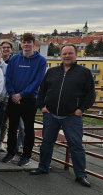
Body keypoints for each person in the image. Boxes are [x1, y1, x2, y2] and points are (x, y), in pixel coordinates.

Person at [31, 44, 95, 187]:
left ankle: (80, 175)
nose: (67, 56)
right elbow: (42, 90)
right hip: (51, 114)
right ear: (61, 55)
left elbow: (91, 94)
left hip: (72, 116)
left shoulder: (84, 72)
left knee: (76, 146)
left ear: (76, 55)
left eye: (70, 53)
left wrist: (82, 109)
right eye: (64, 53)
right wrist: (41, 106)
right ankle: (43, 167)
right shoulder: (52, 71)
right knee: (46, 143)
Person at [2, 33, 47, 166]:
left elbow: (37, 81)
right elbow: (8, 79)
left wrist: (22, 95)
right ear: (21, 44)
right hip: (13, 98)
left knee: (28, 129)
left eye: (29, 42)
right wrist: (13, 94)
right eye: (24, 42)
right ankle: (10, 152)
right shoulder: (14, 59)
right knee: (12, 128)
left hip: (29, 99)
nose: (26, 44)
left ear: (34, 43)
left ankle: (26, 155)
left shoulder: (41, 60)